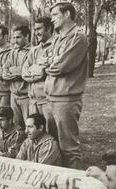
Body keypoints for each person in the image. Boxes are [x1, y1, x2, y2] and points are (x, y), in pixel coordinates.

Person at [43, 2, 88, 169]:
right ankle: (61, 184)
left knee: (69, 148)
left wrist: (49, 64)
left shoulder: (78, 37)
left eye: (55, 14)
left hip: (66, 100)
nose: (52, 19)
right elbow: (45, 61)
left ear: (67, 14)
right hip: (51, 98)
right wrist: (50, 62)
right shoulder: (58, 38)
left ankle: (75, 186)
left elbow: (59, 67)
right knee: (54, 144)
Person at [22, 17, 54, 120]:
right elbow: (24, 73)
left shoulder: (56, 47)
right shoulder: (34, 50)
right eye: (35, 29)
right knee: (35, 133)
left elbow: (49, 71)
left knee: (51, 133)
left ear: (48, 29)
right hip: (33, 101)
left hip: (47, 101)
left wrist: (34, 69)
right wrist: (39, 70)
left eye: (39, 29)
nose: (36, 32)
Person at [2, 25, 31, 129]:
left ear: (27, 36)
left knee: (29, 126)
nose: (15, 41)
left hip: (26, 96)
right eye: (13, 38)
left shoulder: (32, 51)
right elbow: (5, 70)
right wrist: (14, 71)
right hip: (13, 95)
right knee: (16, 126)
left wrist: (13, 70)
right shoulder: (13, 52)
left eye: (18, 37)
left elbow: (25, 71)